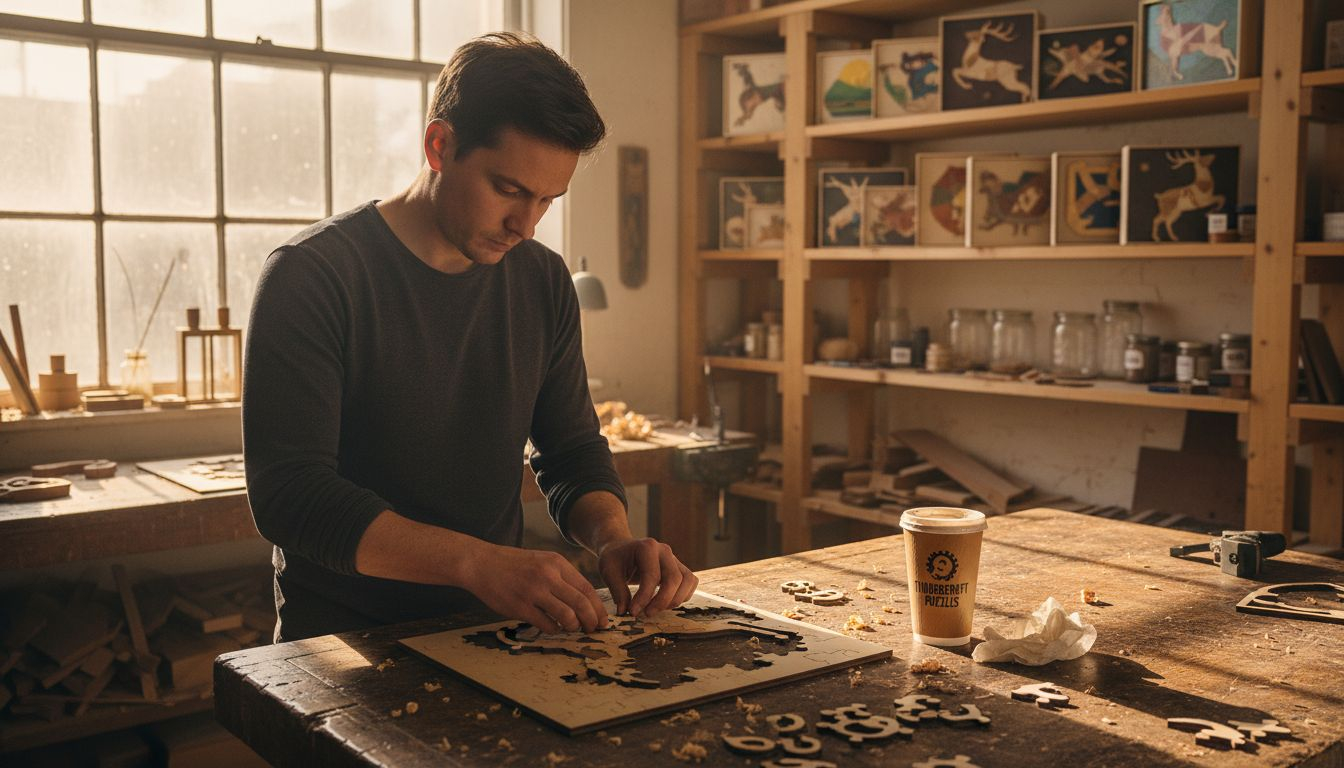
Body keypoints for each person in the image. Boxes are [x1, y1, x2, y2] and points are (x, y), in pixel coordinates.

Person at [242, 32, 696, 642]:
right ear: (439, 144)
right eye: (508, 190)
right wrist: (477, 564)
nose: (524, 225)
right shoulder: (313, 276)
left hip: (493, 632)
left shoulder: (541, 279)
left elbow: (570, 451)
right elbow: (291, 496)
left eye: (547, 201)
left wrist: (612, 538)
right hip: (344, 644)